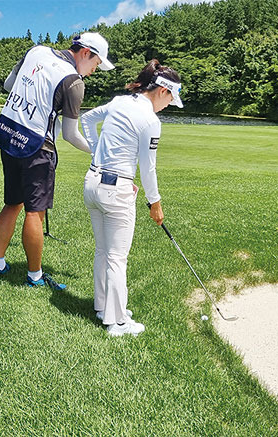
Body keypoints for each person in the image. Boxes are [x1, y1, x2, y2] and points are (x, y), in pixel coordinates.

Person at [0, 32, 115, 289]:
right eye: (96, 63)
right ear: (86, 53)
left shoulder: (36, 51)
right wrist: (97, 151)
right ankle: (34, 275)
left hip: (8, 135)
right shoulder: (73, 82)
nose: (93, 70)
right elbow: (70, 135)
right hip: (37, 148)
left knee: (12, 203)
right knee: (35, 211)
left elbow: (8, 86)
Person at [81, 60, 183, 336]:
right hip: (116, 191)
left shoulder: (118, 102)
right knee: (117, 257)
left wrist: (96, 152)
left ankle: (104, 308)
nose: (167, 106)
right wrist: (155, 203)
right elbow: (148, 169)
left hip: (92, 183)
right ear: (162, 91)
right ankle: (117, 323)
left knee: (103, 251)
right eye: (170, 100)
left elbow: (87, 119)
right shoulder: (150, 120)